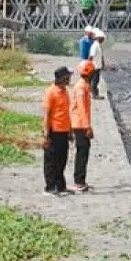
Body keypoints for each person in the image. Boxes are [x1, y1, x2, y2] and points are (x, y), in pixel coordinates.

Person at [42, 66, 74, 196]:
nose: (70, 79)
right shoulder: (51, 92)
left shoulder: (65, 91)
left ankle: (60, 185)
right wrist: (46, 135)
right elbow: (47, 115)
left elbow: (66, 112)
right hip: (53, 130)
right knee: (51, 160)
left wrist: (70, 130)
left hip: (63, 130)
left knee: (62, 159)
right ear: (62, 79)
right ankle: (50, 186)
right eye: (68, 77)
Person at [71, 60, 95, 192]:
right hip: (80, 124)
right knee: (82, 151)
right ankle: (79, 181)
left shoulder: (84, 85)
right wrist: (87, 127)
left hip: (81, 123)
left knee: (84, 151)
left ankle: (81, 180)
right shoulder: (81, 87)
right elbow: (82, 108)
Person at [89, 29, 106, 99]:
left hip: (97, 66)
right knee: (95, 81)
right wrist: (89, 65)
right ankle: (94, 95)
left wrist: (103, 65)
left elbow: (100, 56)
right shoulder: (95, 46)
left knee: (96, 80)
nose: (103, 39)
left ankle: (95, 93)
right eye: (102, 38)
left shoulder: (98, 45)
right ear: (99, 38)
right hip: (94, 66)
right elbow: (91, 56)